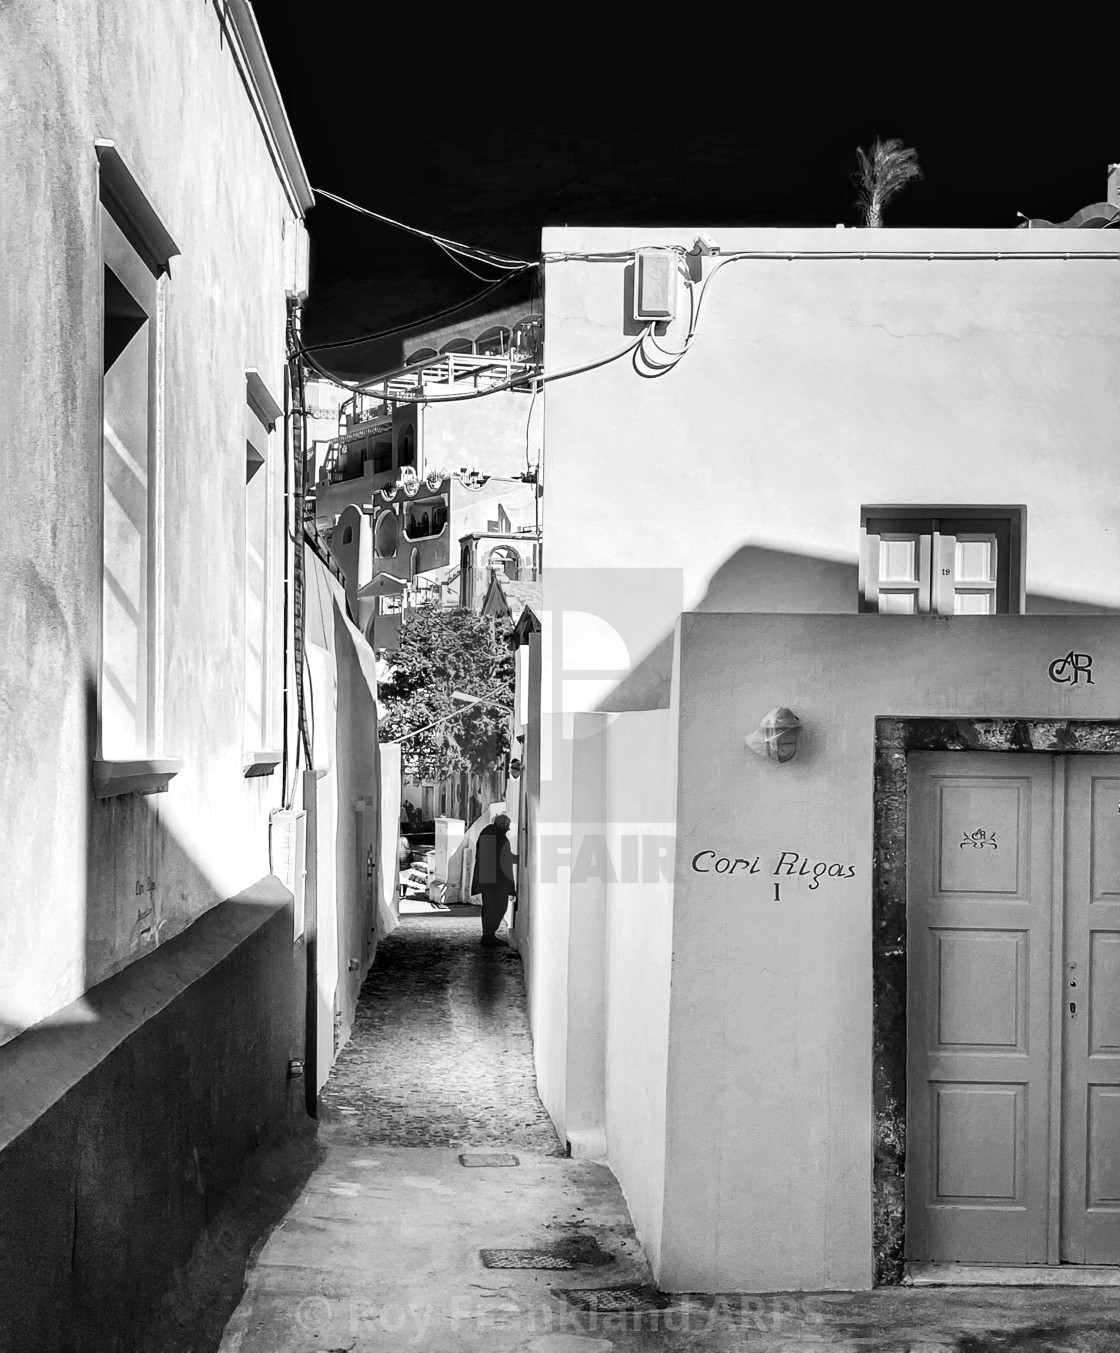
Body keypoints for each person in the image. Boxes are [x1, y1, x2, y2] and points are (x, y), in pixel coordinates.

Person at [471, 813, 516, 947]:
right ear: (502, 825)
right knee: (498, 907)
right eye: (507, 825)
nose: (508, 828)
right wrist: (521, 858)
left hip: (488, 880)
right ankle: (489, 936)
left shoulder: (488, 833)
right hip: (496, 881)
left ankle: (488, 935)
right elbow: (503, 858)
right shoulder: (498, 837)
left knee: (490, 907)